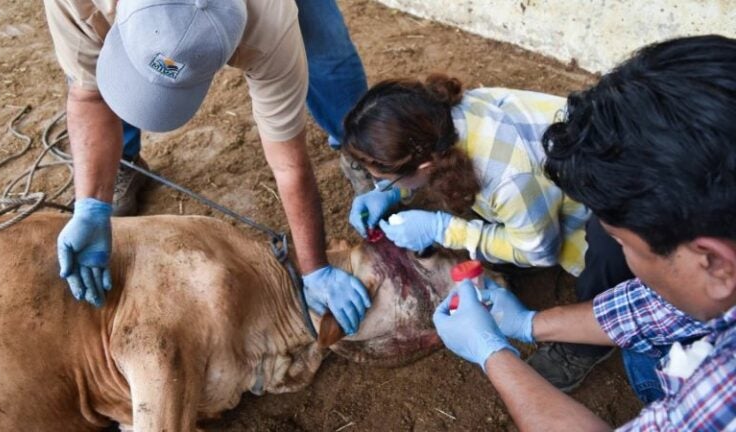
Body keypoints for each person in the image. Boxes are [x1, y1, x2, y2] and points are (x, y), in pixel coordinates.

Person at [433, 34, 736, 429]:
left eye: (623, 243)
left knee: (647, 361)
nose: (620, 255)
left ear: (714, 262)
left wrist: (493, 354)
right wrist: (526, 323)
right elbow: (657, 308)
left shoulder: (725, 385)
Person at [43, 0, 370, 335]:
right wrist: (92, 205)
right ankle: (124, 160)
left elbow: (288, 165)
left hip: (260, 18)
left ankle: (359, 143)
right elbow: (89, 94)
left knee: (323, 46)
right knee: (109, 81)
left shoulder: (269, 23)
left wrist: (314, 268)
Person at [340, 74, 632, 390]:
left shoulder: (506, 178)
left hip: (616, 208)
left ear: (424, 166)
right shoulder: (442, 119)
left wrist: (446, 229)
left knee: (608, 255)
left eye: (389, 179)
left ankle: (585, 346)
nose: (385, 185)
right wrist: (396, 192)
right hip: (560, 181)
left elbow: (539, 250)